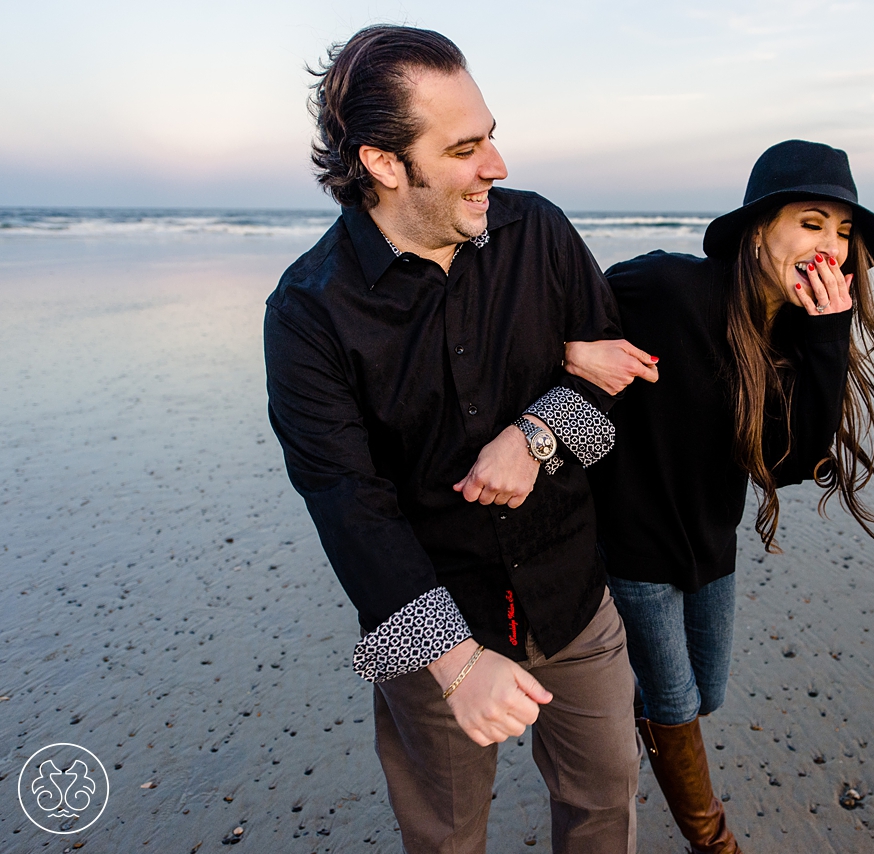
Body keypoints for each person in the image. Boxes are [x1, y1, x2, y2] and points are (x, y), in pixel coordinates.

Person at [263, 26, 639, 854]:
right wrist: (457, 664)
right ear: (385, 163)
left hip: (574, 599)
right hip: (433, 628)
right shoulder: (306, 314)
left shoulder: (538, 232)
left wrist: (537, 432)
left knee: (605, 805)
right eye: (466, 147)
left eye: (492, 134)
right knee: (443, 835)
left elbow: (614, 398)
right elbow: (347, 507)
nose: (497, 165)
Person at [564, 140, 874, 853]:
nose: (833, 248)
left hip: (709, 544)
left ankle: (608, 721)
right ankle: (713, 841)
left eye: (844, 233)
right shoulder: (666, 288)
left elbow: (796, 462)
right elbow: (563, 304)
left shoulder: (791, 331)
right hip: (629, 542)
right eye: (813, 223)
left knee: (704, 694)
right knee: (676, 703)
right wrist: (569, 349)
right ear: (759, 229)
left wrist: (827, 333)